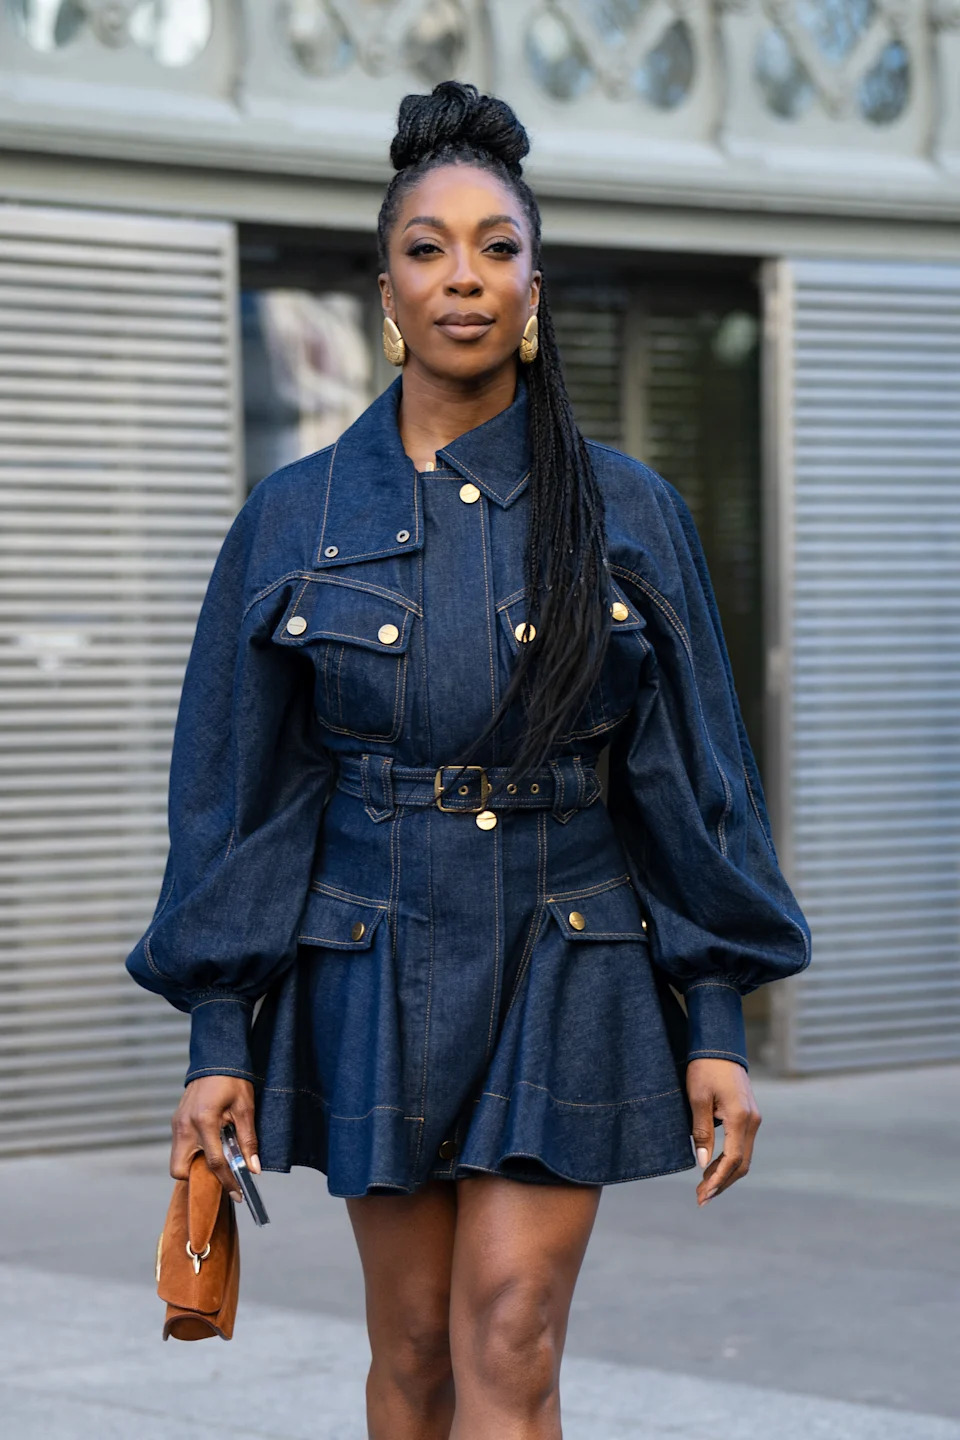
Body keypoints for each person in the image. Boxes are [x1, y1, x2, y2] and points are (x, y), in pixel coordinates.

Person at [125, 79, 811, 1440]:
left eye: (497, 248)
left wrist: (716, 1020)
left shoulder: (626, 509)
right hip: (371, 957)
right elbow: (241, 798)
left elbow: (691, 780)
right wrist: (217, 1039)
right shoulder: (297, 515)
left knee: (511, 1332)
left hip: (570, 953)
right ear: (385, 288)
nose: (463, 277)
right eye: (428, 248)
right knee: (415, 1357)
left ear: (533, 287)